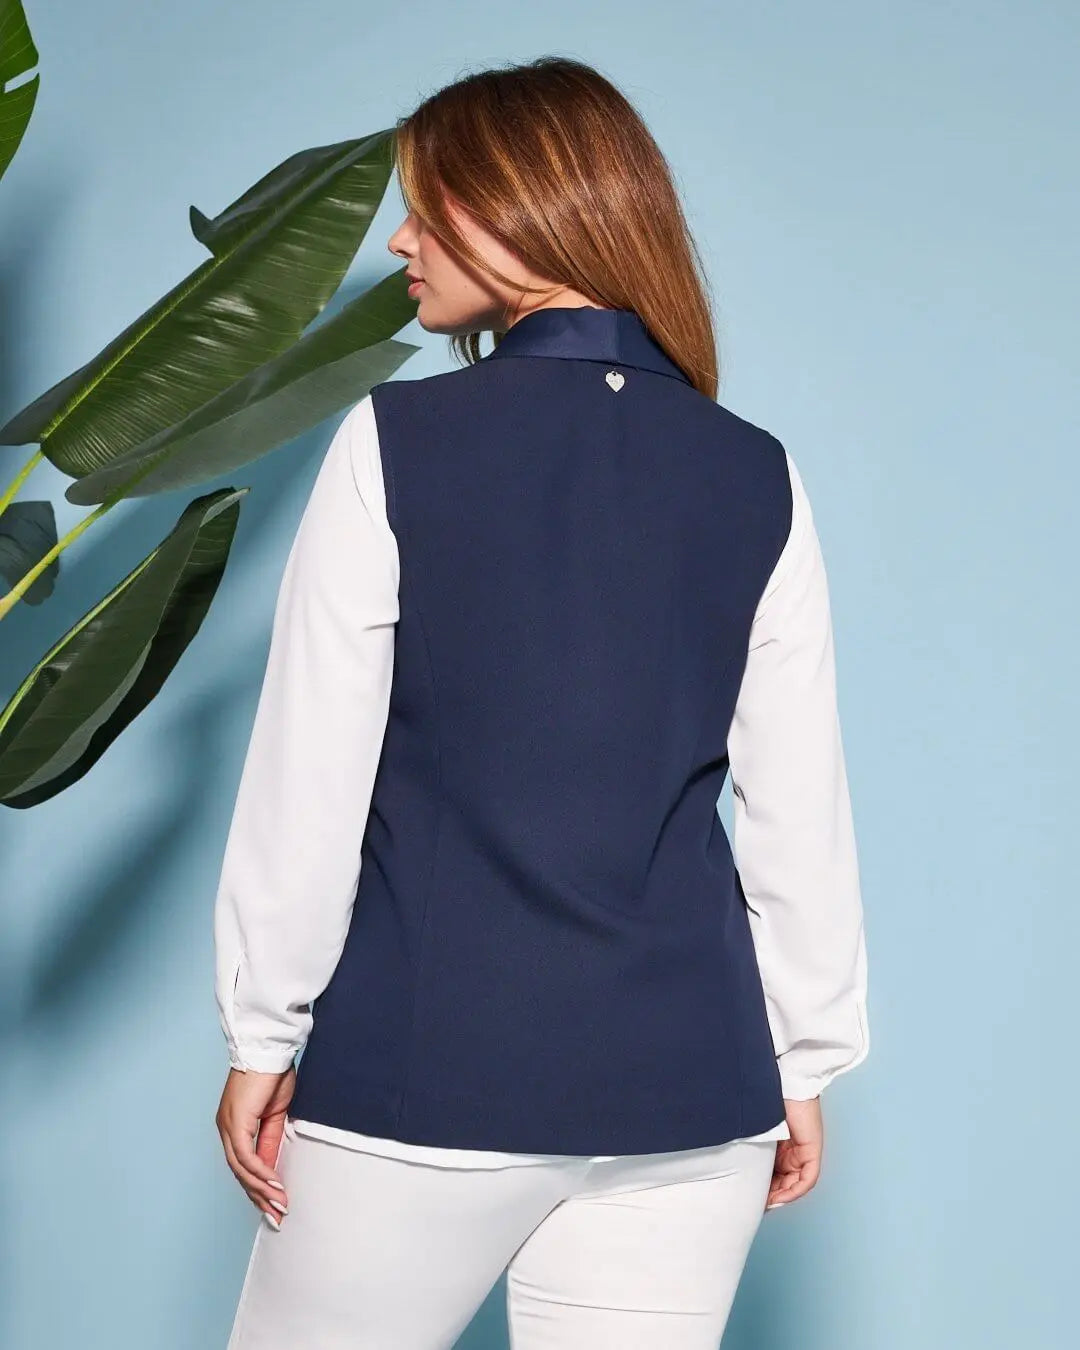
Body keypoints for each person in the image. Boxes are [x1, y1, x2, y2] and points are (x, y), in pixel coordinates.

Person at [212, 54, 869, 1350]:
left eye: (427, 205)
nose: (400, 240)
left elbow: (309, 776)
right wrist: (802, 1058)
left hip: (426, 1072)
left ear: (520, 207)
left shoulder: (394, 443)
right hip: (695, 1094)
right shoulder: (757, 474)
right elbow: (798, 811)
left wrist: (261, 1031)